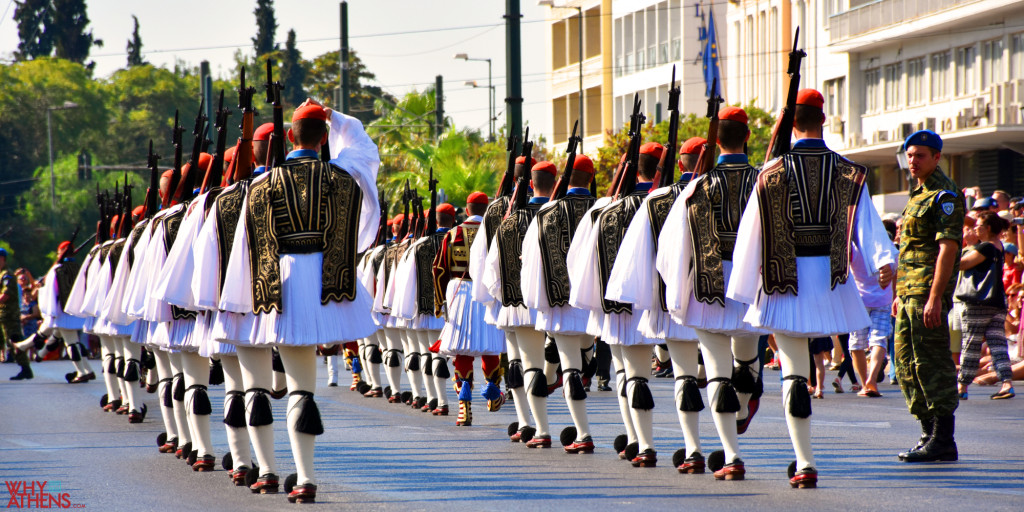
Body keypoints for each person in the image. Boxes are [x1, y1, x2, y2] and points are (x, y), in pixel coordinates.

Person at [728, 89, 895, 487]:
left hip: (783, 282)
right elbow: (867, 225)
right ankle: (802, 462)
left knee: (793, 373)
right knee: (803, 371)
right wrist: (884, 260)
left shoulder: (770, 171)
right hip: (833, 282)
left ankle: (804, 462)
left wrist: (745, 287)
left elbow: (752, 234)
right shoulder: (849, 171)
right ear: (824, 119)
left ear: (790, 122)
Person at [221, 99, 379, 503]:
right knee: (301, 389)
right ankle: (305, 477)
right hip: (320, 285)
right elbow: (364, 149)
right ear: (324, 138)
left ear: (289, 136)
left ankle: (268, 471)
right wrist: (334, 116)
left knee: (255, 386)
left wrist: (233, 302)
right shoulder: (342, 175)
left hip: (267, 286)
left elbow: (245, 250)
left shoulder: (260, 185)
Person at [657, 109, 769, 480]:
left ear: (717, 142)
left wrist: (678, 296)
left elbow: (673, 252)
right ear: (747, 136)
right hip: (752, 289)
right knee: (746, 362)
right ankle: (743, 404)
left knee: (717, 374)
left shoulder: (695, 188)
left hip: (708, 292)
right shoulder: (765, 180)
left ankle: (733, 457)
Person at [576, 143, 665, 468]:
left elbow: (581, 260)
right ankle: (639, 440)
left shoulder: (605, 208)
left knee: (627, 373)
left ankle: (641, 443)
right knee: (643, 375)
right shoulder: (668, 201)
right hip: (659, 304)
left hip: (616, 305)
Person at [892, 129, 964, 463]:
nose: (913, 161)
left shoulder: (944, 196)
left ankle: (944, 439)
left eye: (920, 155)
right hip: (908, 293)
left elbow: (948, 248)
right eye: (909, 155)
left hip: (925, 293)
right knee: (906, 364)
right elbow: (908, 251)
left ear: (937, 157)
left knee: (931, 363)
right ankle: (927, 433)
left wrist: (936, 296)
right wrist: (897, 292)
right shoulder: (917, 194)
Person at [521, 154, 599, 453]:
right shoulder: (602, 208)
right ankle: (588, 353)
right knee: (582, 361)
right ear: (591, 179)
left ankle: (583, 433)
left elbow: (530, 262)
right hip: (594, 305)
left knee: (570, 369)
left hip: (562, 304)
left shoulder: (547, 212)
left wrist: (538, 302)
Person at [482, 160, 556, 448]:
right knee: (542, 364)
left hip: (515, 304)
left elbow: (488, 270)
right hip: (554, 303)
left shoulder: (501, 214)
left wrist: (502, 298)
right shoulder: (557, 211)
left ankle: (531, 425)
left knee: (521, 365)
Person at [434, 192, 507, 426]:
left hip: (461, 293)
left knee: (462, 350)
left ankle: (464, 409)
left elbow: (439, 269)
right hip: (487, 290)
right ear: (486, 210)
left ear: (466, 211)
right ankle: (494, 395)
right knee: (490, 346)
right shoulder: (496, 230)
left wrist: (439, 303)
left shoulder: (453, 233)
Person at [955, 211, 1015, 400]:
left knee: (971, 344)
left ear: (988, 228)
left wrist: (954, 248)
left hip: (978, 303)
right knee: (998, 344)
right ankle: (1006, 383)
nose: (974, 230)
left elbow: (962, 264)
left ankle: (962, 387)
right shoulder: (999, 246)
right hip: (997, 302)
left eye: (978, 226)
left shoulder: (985, 247)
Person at [1, 248, 33, 379]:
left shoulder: (7, 274)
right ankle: (25, 368)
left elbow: (6, 294)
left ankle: (25, 369)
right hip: (4, 315)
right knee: (11, 342)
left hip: (9, 316)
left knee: (14, 341)